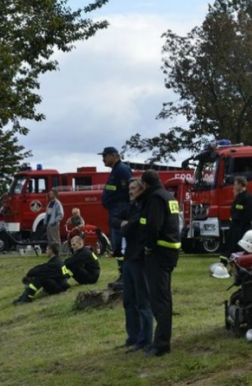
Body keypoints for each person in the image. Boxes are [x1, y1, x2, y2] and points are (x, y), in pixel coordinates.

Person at [140, 170, 181, 357]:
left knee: (159, 299)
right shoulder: (168, 196)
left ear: (146, 185)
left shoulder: (155, 198)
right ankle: (162, 339)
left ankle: (162, 344)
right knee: (164, 296)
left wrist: (148, 246)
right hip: (170, 250)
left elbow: (152, 226)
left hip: (158, 252)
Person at [120, 178, 153, 352]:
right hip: (128, 258)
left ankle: (146, 339)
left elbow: (129, 228)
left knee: (142, 301)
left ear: (141, 189)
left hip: (139, 259)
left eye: (133, 188)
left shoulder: (143, 208)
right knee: (128, 300)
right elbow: (120, 222)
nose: (130, 191)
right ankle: (133, 336)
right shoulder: (131, 207)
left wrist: (126, 225)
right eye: (129, 188)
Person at [100, 146, 132, 290]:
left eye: (105, 156)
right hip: (115, 211)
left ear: (114, 155)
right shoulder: (116, 170)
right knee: (116, 245)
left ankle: (125, 277)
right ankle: (122, 275)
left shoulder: (122, 170)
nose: (103, 159)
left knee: (120, 244)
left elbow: (129, 190)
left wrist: (125, 210)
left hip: (121, 212)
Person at [221, 176, 252, 266]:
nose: (234, 186)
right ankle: (224, 263)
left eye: (235, 184)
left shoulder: (248, 197)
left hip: (242, 227)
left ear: (241, 184)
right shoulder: (238, 197)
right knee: (229, 245)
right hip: (234, 225)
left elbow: (249, 214)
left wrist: (241, 225)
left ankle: (240, 264)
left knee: (239, 247)